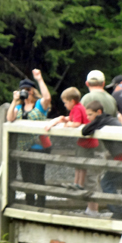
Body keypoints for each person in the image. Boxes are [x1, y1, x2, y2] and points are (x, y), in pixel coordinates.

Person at [45, 87, 99, 215]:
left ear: (72, 101)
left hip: (86, 143)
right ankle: (77, 183)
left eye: (65, 103)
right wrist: (66, 119)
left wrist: (67, 124)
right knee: (78, 163)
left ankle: (78, 184)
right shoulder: (79, 107)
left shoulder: (77, 108)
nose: (65, 105)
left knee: (80, 164)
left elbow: (76, 123)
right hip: (84, 142)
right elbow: (73, 119)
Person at [6, 69, 52, 207]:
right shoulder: (19, 107)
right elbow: (9, 118)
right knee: (26, 177)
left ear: (32, 90)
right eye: (22, 90)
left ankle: (41, 204)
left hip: (39, 146)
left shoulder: (39, 105)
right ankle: (29, 202)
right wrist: (14, 101)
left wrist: (39, 79)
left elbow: (47, 98)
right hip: (23, 147)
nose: (25, 92)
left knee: (38, 177)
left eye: (27, 89)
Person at [82, 100, 122, 220]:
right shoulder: (110, 119)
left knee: (106, 183)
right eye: (86, 115)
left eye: (90, 114)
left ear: (99, 112)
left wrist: (93, 122)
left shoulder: (100, 120)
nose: (88, 117)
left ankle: (119, 212)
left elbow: (85, 131)